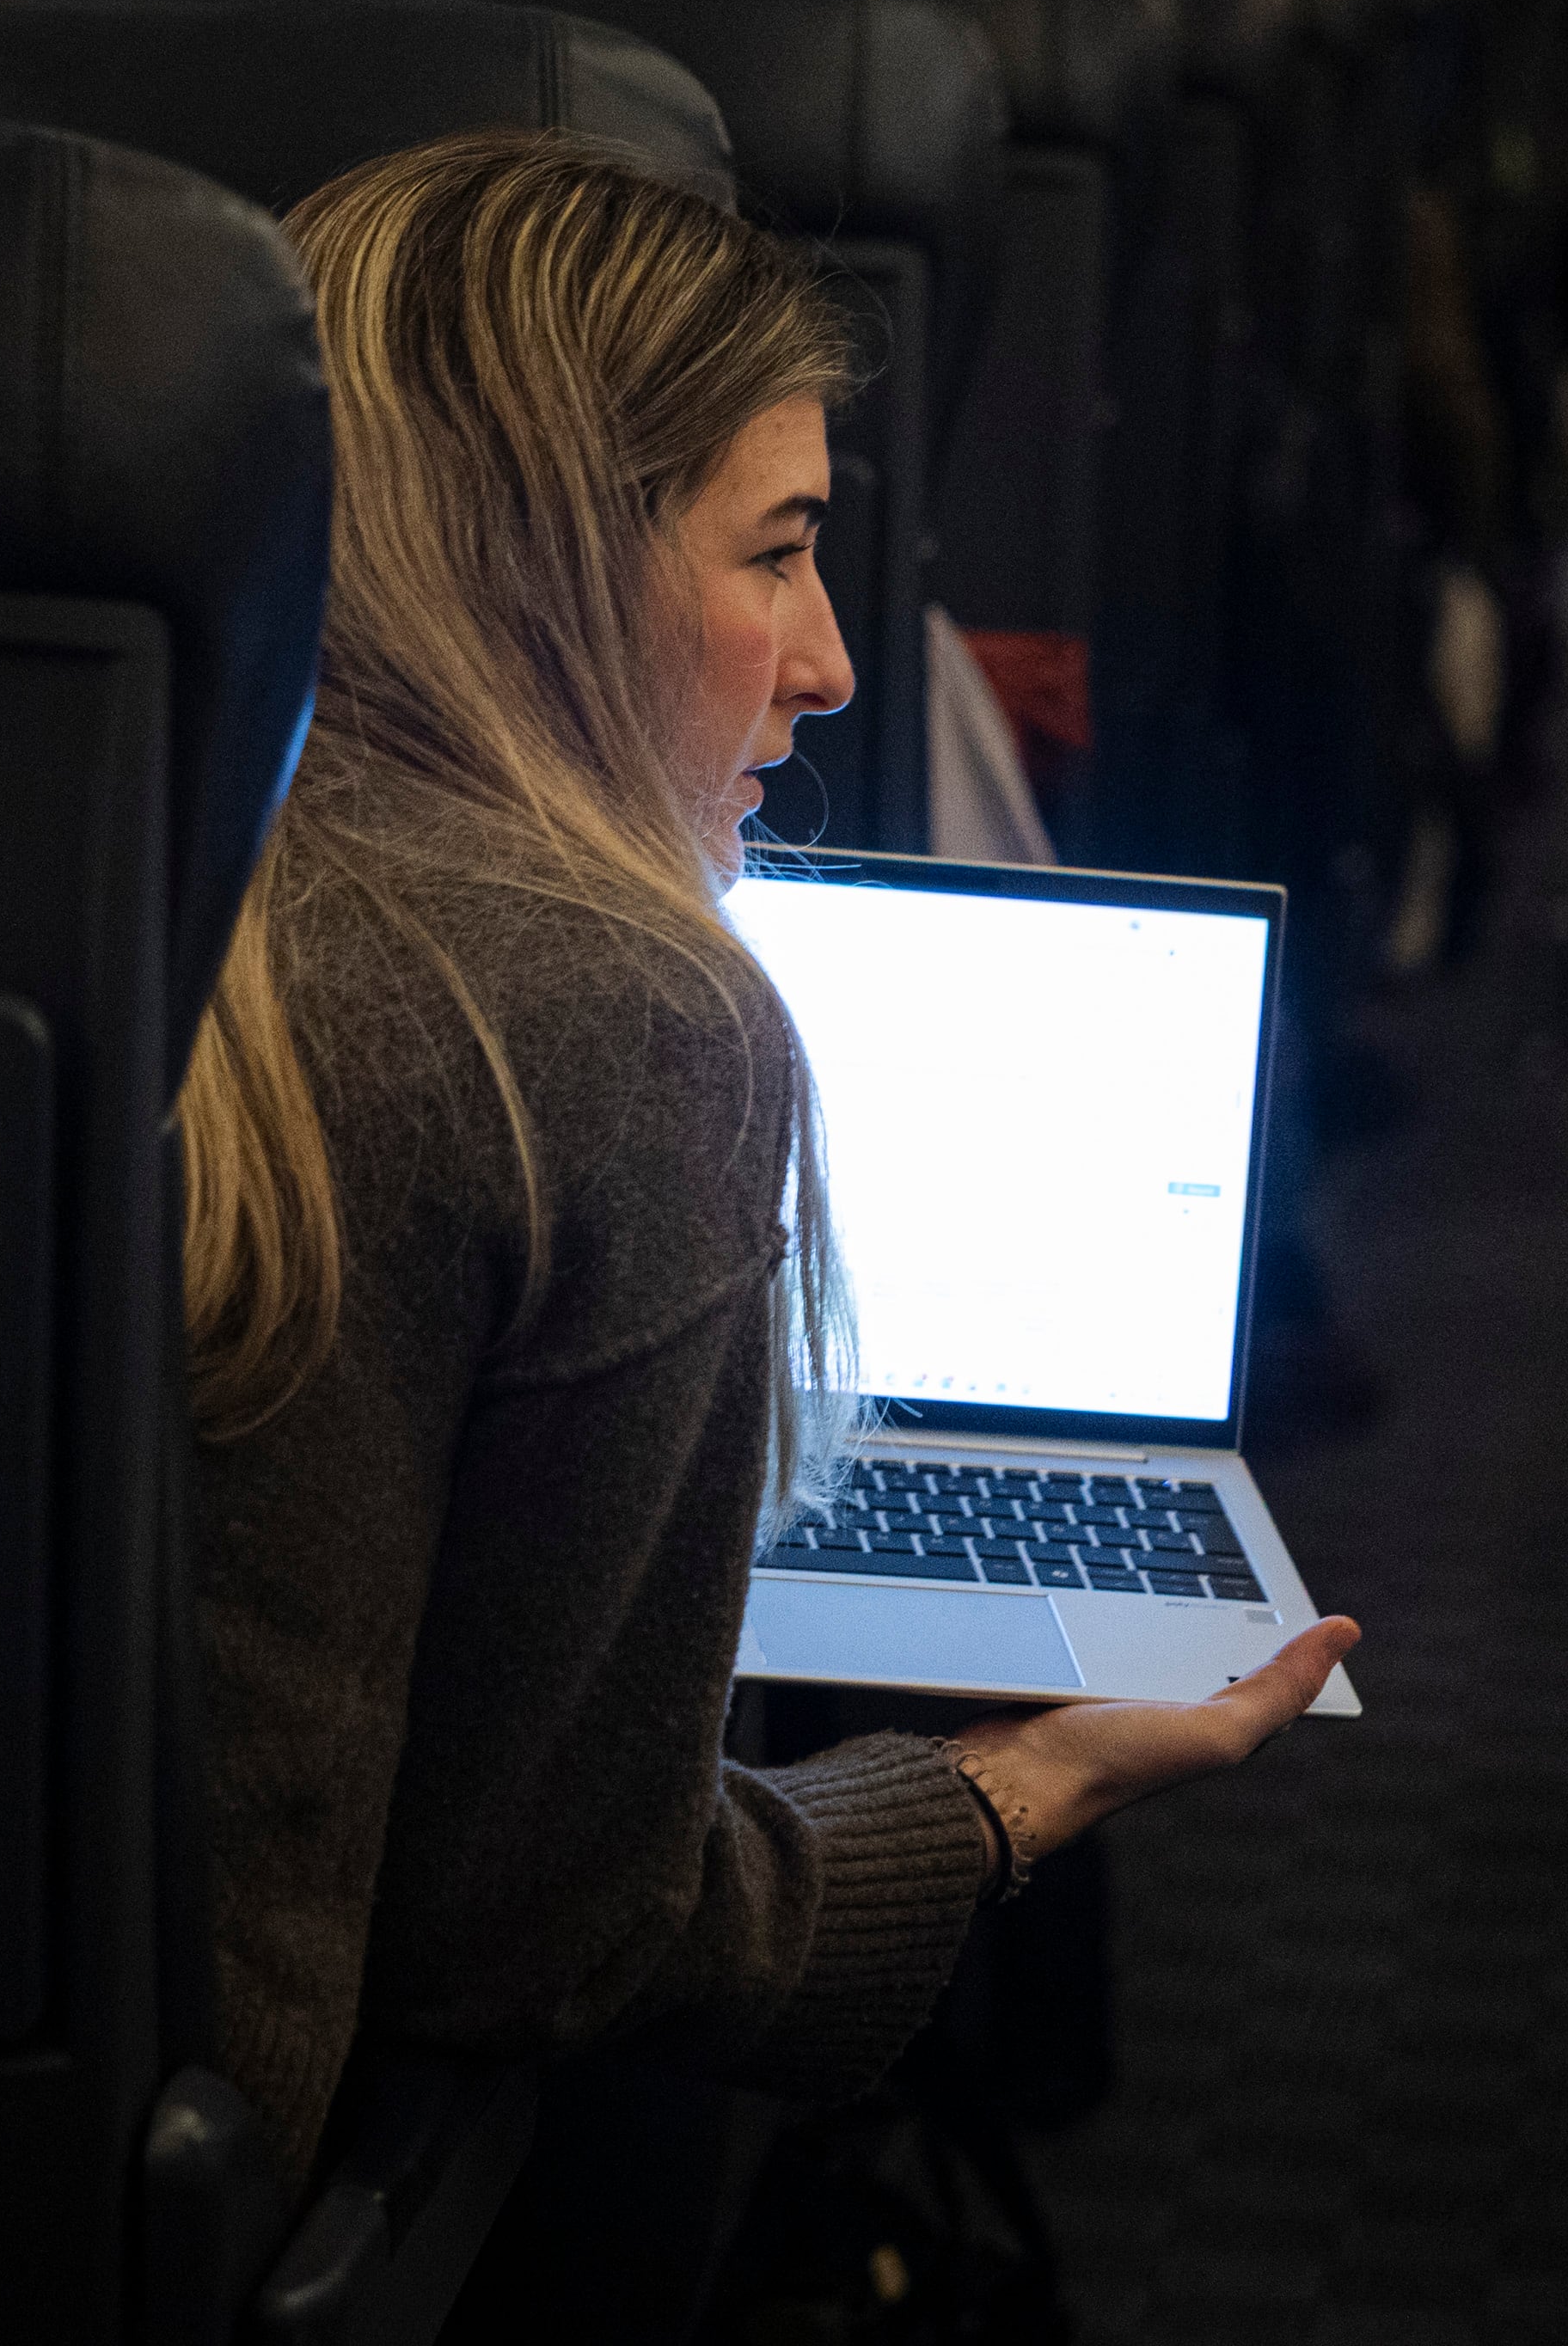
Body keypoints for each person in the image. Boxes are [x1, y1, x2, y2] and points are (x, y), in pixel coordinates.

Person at [175, 128, 1361, 2182]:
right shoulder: (613, 1010)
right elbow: (555, 1942)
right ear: (550, 548)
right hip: (244, 2180)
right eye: (775, 547)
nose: (824, 662)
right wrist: (1008, 1791)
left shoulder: (111, 854)